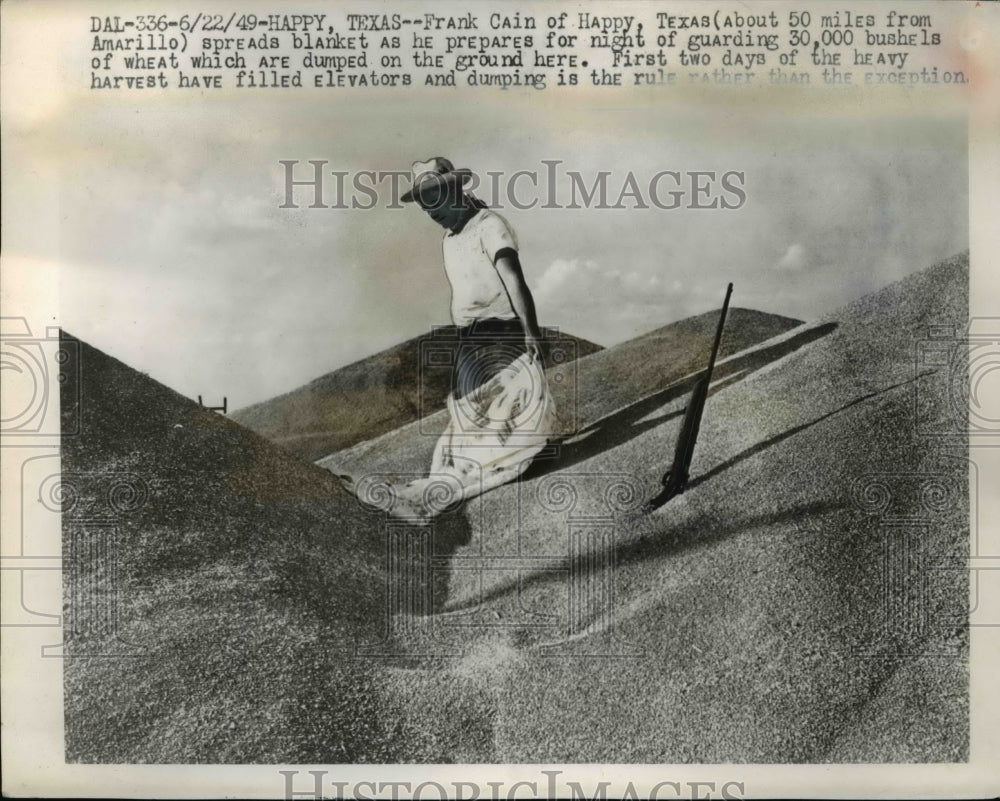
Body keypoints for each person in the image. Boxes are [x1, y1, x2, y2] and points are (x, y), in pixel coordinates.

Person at [365, 156, 556, 521]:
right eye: (425, 206)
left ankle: (514, 463)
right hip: (469, 337)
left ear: (455, 190)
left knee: (509, 410)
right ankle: (460, 479)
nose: (432, 212)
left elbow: (514, 279)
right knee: (470, 418)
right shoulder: (449, 240)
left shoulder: (490, 225)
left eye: (436, 200)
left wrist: (531, 332)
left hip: (502, 332)